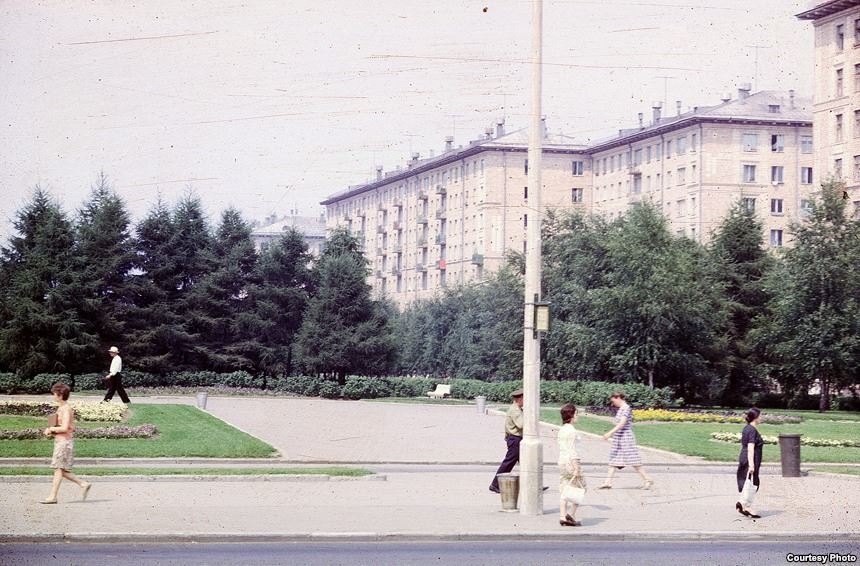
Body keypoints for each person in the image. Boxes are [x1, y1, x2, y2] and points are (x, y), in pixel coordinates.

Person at [41, 382, 91, 504]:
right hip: (61, 441)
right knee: (60, 469)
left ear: (60, 395)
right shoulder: (61, 408)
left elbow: (64, 428)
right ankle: (83, 484)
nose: (53, 396)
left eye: (54, 394)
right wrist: (52, 431)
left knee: (58, 469)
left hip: (64, 443)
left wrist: (51, 429)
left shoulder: (66, 409)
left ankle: (53, 497)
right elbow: (69, 427)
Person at [598, 391, 653, 489]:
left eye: (613, 401)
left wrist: (610, 433)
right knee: (614, 459)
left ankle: (647, 479)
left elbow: (622, 423)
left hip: (626, 437)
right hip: (619, 437)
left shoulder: (626, 408)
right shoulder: (621, 409)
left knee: (633, 459)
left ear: (618, 398)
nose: (613, 403)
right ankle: (608, 482)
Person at [488, 389, 525, 493]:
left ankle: (534, 484)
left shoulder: (517, 409)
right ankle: (495, 484)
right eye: (525, 399)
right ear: (520, 399)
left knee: (526, 463)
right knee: (508, 463)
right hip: (515, 440)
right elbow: (521, 425)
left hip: (515, 439)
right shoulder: (515, 410)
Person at [558, 403, 584, 527]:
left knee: (565, 487)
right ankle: (571, 515)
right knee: (580, 487)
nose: (578, 416)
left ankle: (562, 516)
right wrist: (576, 467)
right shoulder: (572, 431)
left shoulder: (562, 429)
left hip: (562, 461)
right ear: (572, 415)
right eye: (576, 414)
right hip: (570, 461)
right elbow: (572, 450)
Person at [736, 407, 764, 518]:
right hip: (750, 459)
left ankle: (742, 503)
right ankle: (746, 506)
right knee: (753, 483)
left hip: (744, 457)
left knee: (747, 482)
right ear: (755, 417)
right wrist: (751, 465)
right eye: (760, 416)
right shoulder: (752, 430)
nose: (761, 418)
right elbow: (750, 447)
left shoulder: (747, 428)